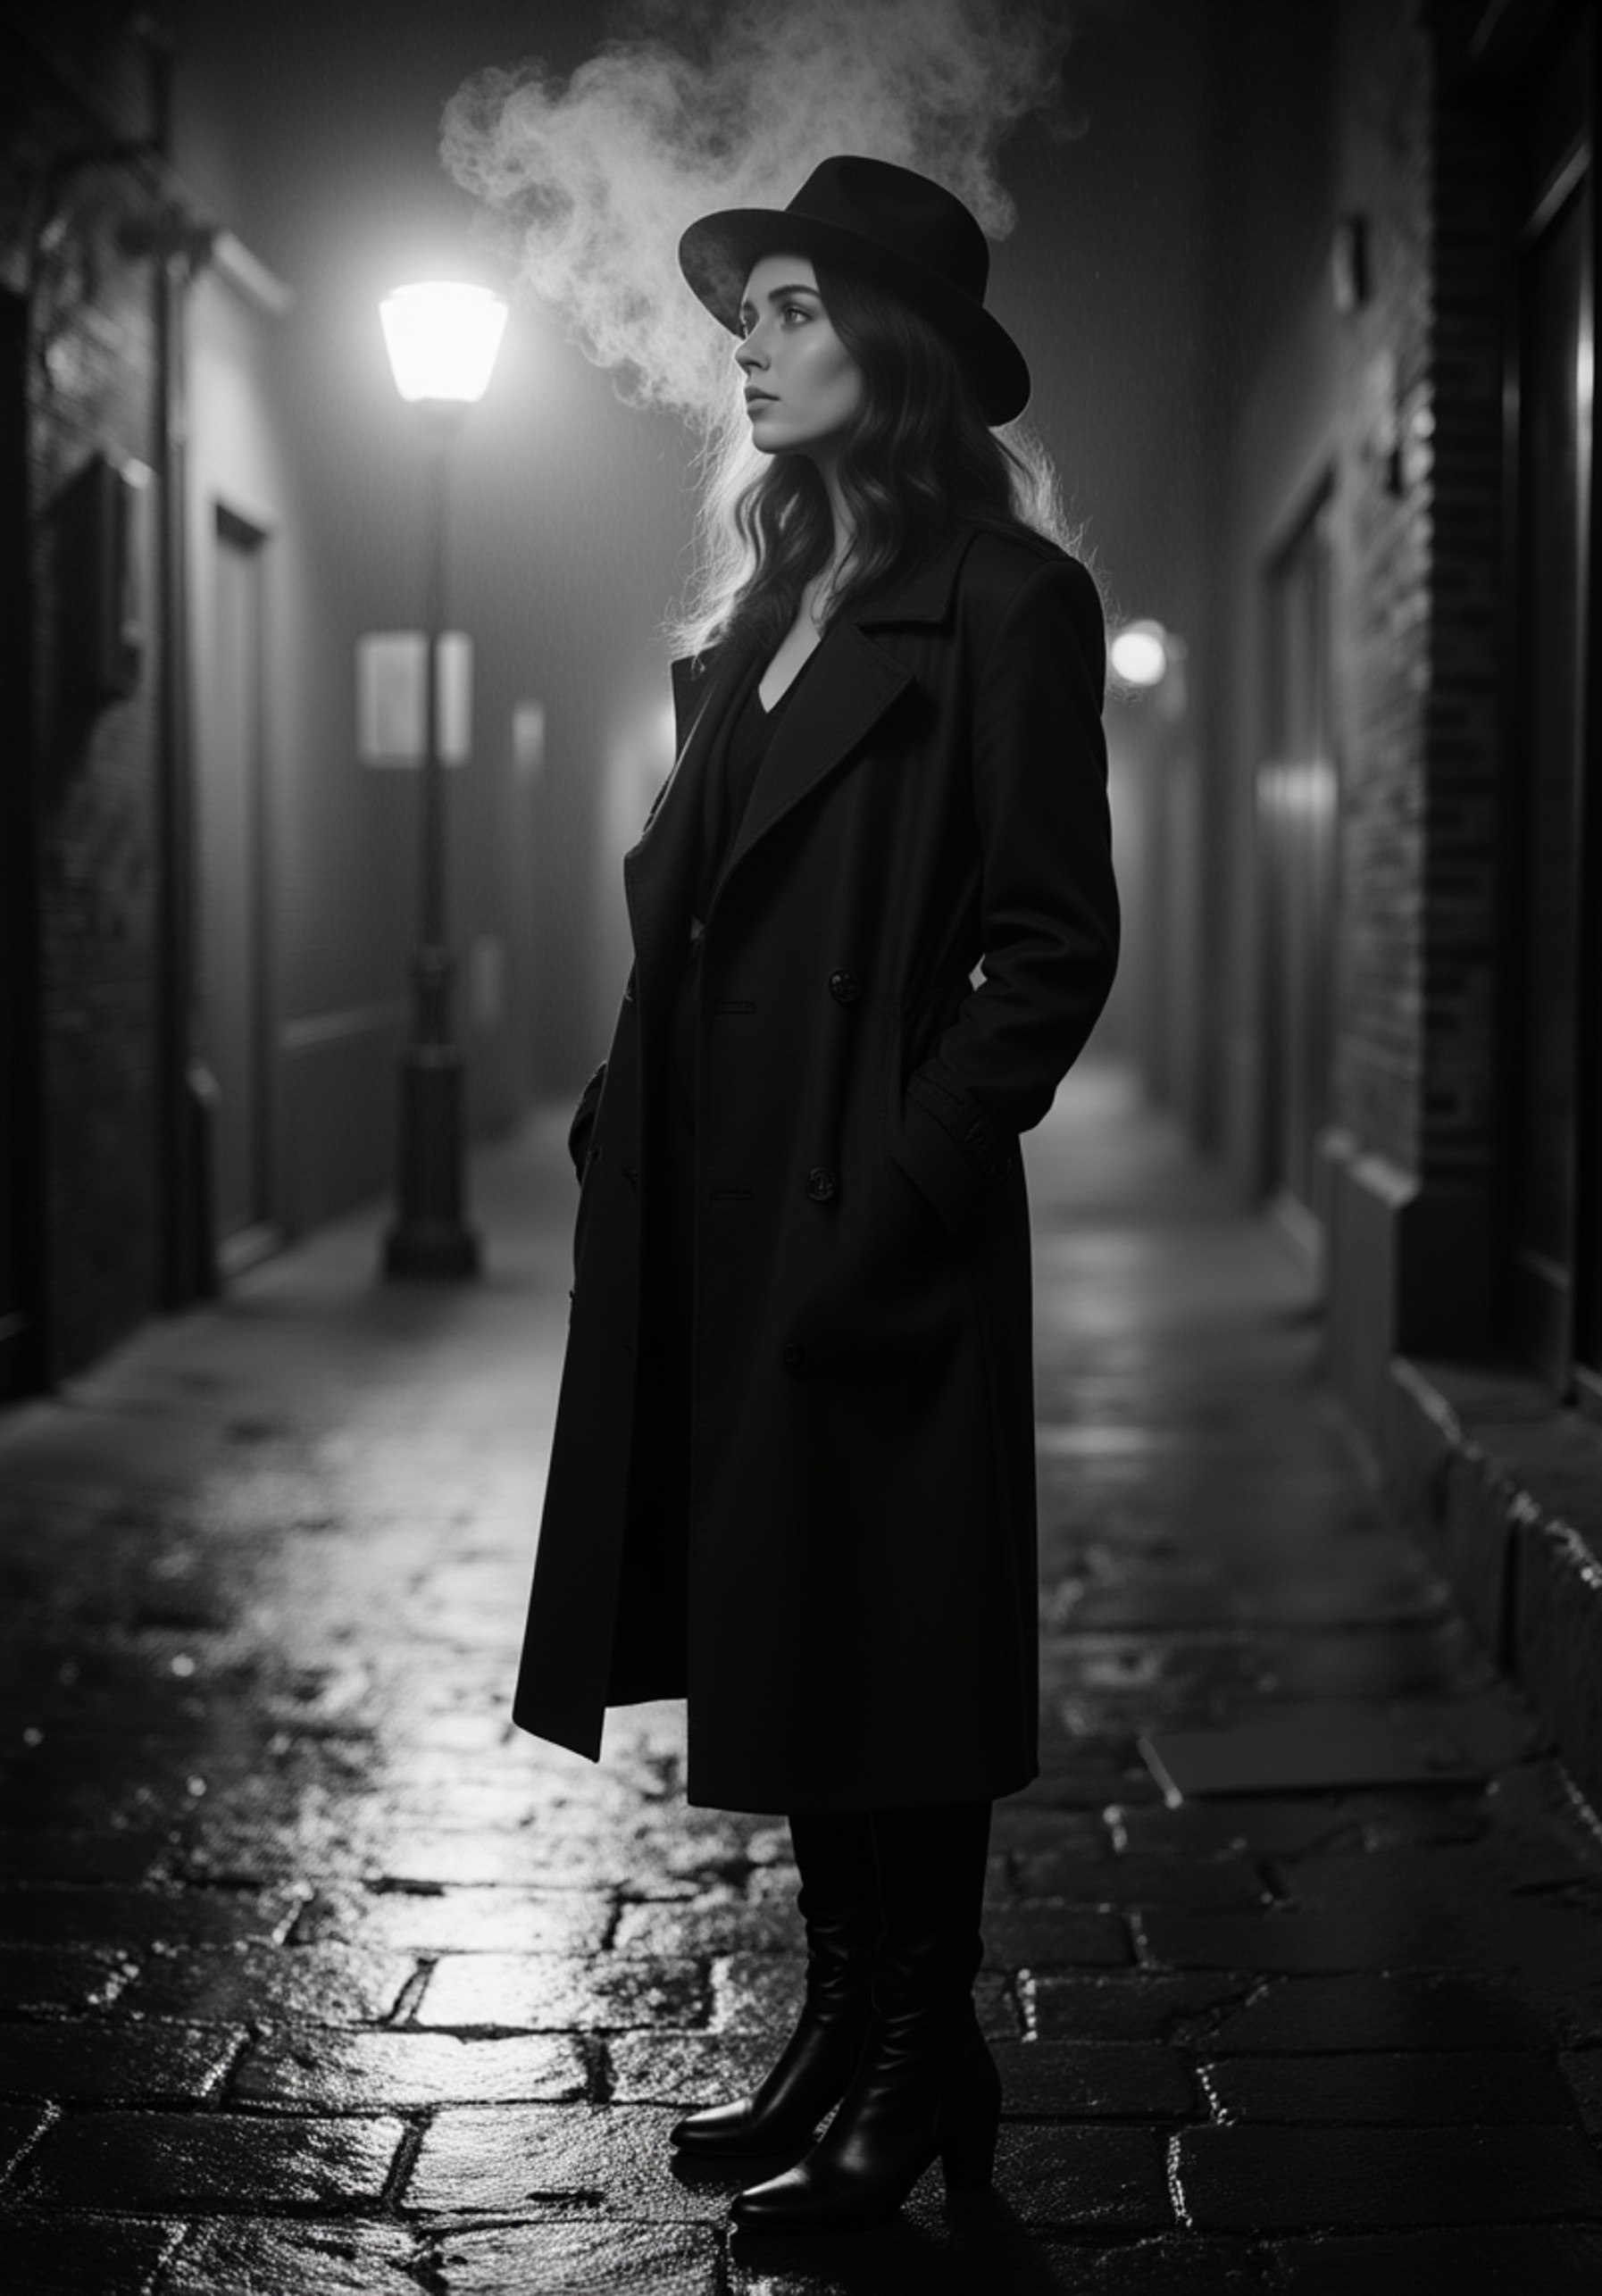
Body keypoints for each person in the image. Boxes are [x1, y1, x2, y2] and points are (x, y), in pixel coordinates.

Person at [513, 154, 1120, 2235]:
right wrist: (622, 1107)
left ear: (899, 344)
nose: (747, 349)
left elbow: (1050, 946)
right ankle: (850, 2022)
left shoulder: (1012, 606)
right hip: (719, 1196)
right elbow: (696, 924)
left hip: (874, 1206)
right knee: (791, 1627)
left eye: (786, 308)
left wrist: (907, 1180)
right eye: (742, 314)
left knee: (888, 1636)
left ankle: (918, 2035)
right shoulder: (769, 608)